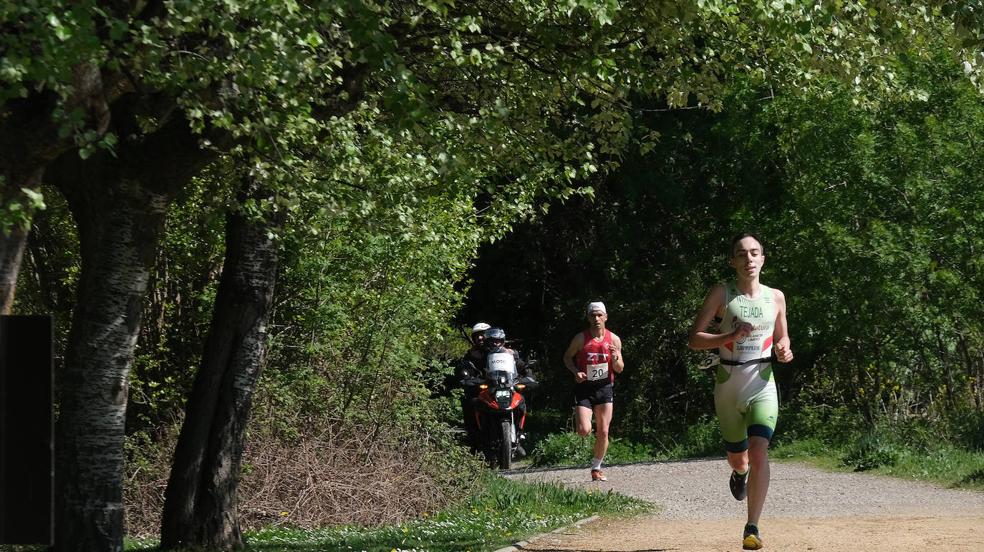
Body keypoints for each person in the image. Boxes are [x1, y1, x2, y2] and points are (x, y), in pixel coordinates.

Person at [687, 233, 793, 551]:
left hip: (762, 381)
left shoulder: (776, 297)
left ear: (763, 259)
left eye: (754, 253)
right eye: (741, 254)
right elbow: (694, 338)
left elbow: (783, 337)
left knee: (760, 450)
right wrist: (729, 335)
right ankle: (740, 471)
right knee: (738, 457)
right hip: (728, 383)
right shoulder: (723, 293)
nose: (749, 259)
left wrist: (784, 348)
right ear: (733, 261)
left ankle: (753, 527)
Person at [563, 301, 624, 482]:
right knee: (583, 430)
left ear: (605, 317)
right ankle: (591, 446)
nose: (596, 318)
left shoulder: (614, 339)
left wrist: (615, 358)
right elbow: (567, 357)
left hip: (605, 388)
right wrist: (576, 372)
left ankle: (596, 468)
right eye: (592, 315)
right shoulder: (581, 339)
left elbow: (620, 368)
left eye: (599, 315)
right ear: (588, 318)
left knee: (604, 431)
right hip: (585, 388)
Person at [456, 322, 491, 451]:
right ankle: (474, 440)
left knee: (519, 398)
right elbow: (464, 369)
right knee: (470, 402)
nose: (481, 338)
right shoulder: (470, 355)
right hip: (480, 389)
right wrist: (466, 378)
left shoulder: (500, 351)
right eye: (477, 336)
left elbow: (514, 364)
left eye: (483, 335)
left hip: (500, 387)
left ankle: (518, 435)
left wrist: (524, 370)